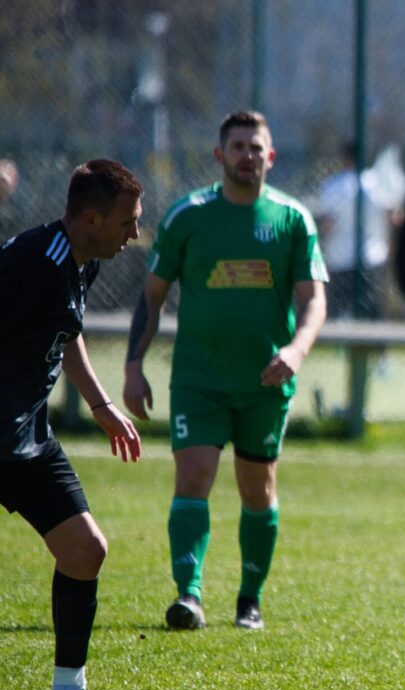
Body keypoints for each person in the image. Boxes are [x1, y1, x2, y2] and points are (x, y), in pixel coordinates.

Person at [122, 110, 328, 632]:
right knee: (193, 475)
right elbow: (152, 297)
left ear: (271, 156)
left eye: (256, 148)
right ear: (220, 155)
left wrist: (296, 351)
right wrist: (133, 366)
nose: (247, 156)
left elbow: (314, 300)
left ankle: (248, 600)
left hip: (266, 381)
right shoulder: (187, 217)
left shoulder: (292, 219)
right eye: (238, 147)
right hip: (199, 379)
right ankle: (188, 595)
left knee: (257, 489)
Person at [1, 159, 146, 690]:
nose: (135, 233)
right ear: (91, 219)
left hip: (27, 436)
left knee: (85, 550)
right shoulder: (32, 264)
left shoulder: (82, 262)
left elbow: (68, 331)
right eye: (128, 222)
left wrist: (100, 403)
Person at [316, 141, 395, 320]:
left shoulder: (333, 185)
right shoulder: (377, 183)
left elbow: (328, 224)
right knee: (373, 315)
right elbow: (392, 216)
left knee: (337, 314)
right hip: (372, 257)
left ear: (344, 158)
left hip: (340, 259)